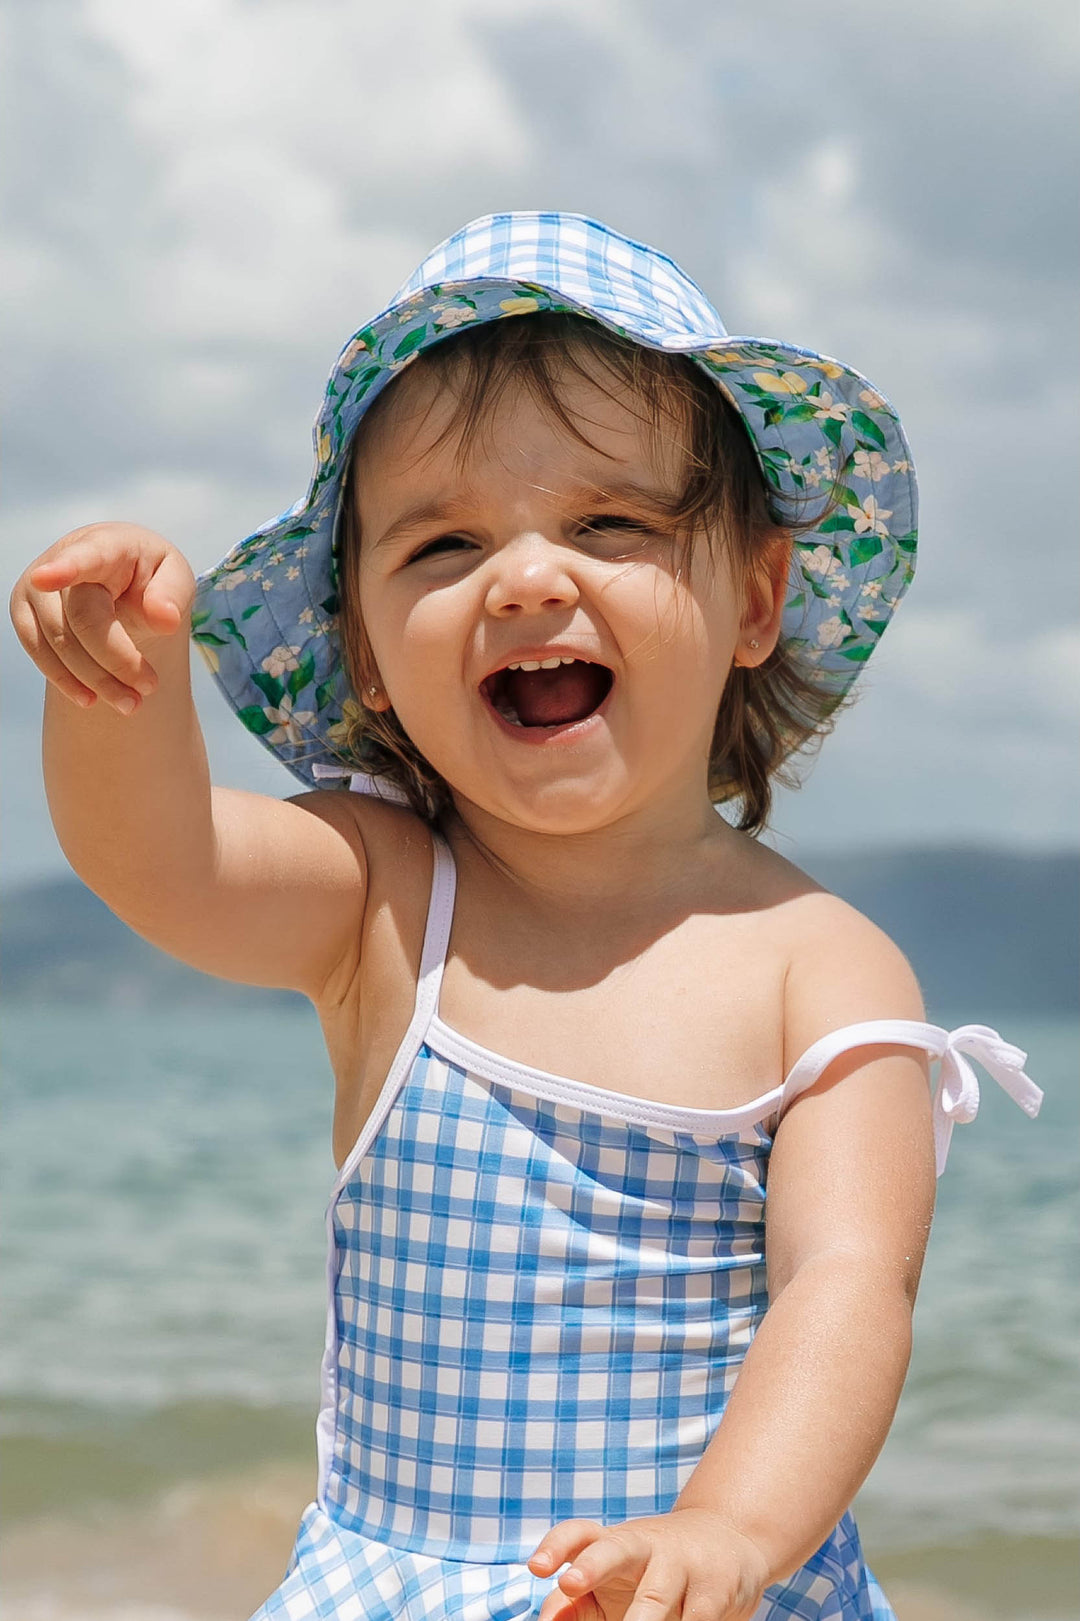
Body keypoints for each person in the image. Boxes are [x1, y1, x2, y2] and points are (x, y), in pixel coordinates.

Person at [11, 212, 1043, 1621]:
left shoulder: (822, 962)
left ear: (753, 594)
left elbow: (849, 1286)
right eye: (441, 543)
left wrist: (729, 1532)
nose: (528, 576)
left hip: (707, 1589)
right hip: (400, 1587)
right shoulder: (385, 902)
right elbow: (164, 863)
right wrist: (121, 693)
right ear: (366, 651)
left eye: (610, 522)